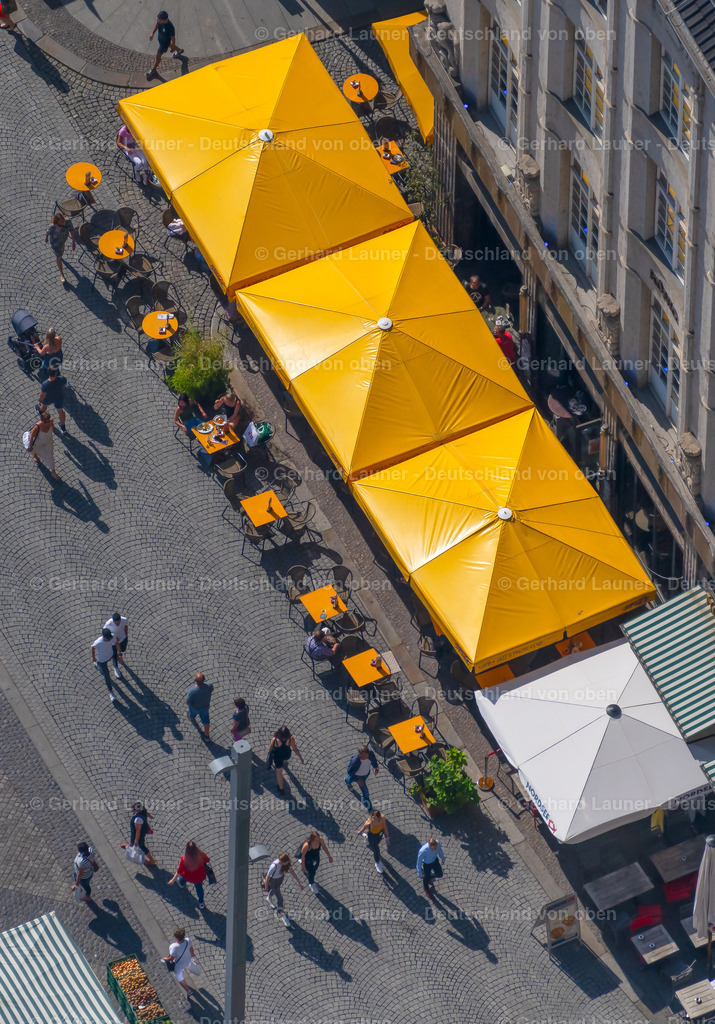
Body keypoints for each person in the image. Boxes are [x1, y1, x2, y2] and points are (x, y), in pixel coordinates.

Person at [262, 853, 304, 927]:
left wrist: (299, 882)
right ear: (281, 862)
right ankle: (283, 916)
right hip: (273, 881)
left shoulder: (286, 864)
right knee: (280, 899)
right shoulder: (273, 866)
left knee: (275, 891)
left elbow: (292, 872)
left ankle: (269, 897)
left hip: (280, 879)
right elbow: (268, 877)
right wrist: (266, 887)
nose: (288, 864)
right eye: (286, 862)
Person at [168, 841, 210, 909]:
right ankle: (201, 903)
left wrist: (173, 879)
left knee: (183, 877)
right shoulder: (200, 854)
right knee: (199, 889)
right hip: (199, 877)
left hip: (188, 876)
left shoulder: (184, 859)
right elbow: (207, 860)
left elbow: (179, 870)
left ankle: (181, 883)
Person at [147, 10, 183, 80]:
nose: (158, 20)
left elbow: (173, 38)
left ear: (165, 20)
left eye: (159, 19)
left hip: (164, 44)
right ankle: (179, 50)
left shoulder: (170, 27)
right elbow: (157, 25)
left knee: (158, 55)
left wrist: (173, 46)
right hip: (162, 40)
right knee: (171, 45)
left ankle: (154, 70)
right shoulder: (160, 21)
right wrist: (152, 33)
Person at [267, 725, 304, 793]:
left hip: (277, 757)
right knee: (284, 759)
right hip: (286, 754)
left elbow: (270, 749)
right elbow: (295, 749)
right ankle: (284, 763)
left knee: (279, 772)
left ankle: (281, 788)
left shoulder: (275, 740)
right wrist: (301, 758)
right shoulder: (291, 739)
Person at [162, 928, 195, 1000]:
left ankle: (189, 991)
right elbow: (191, 950)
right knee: (182, 970)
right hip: (188, 959)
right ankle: (183, 972)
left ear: (176, 937)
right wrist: (193, 956)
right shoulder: (188, 940)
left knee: (178, 976)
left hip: (180, 965)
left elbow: (171, 958)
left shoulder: (174, 947)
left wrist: (165, 959)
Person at [28, 411, 61, 482]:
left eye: (48, 420)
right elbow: (31, 437)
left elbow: (52, 427)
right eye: (46, 421)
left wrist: (53, 429)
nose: (48, 422)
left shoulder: (50, 421)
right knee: (35, 450)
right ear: (42, 420)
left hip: (48, 441)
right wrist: (30, 447)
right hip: (39, 443)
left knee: (50, 456)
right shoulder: (37, 427)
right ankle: (36, 457)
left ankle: (53, 472)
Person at [345, 745, 379, 811]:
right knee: (365, 793)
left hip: (366, 773)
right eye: (360, 755)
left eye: (363, 755)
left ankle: (347, 780)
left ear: (367, 754)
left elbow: (374, 760)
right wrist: (357, 780)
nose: (361, 757)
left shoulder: (370, 753)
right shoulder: (355, 760)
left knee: (350, 779)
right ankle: (370, 808)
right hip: (359, 777)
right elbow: (349, 771)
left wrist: (375, 767)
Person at [45, 213, 76, 286]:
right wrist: (46, 238)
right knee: (59, 258)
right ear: (57, 222)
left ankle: (60, 257)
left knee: (61, 253)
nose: (64, 223)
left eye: (64, 220)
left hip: (63, 240)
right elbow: (48, 232)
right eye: (62, 222)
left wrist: (73, 242)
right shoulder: (52, 226)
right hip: (56, 244)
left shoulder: (67, 221)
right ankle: (62, 274)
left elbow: (72, 230)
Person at [92, 627, 121, 701]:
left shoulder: (112, 637)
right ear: (104, 637)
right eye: (108, 638)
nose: (110, 639)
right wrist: (93, 658)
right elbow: (93, 647)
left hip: (110, 655)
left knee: (114, 653)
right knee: (106, 675)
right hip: (103, 660)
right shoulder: (98, 642)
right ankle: (111, 692)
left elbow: (116, 643)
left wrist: (120, 654)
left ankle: (98, 664)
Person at [357, 810, 390, 874]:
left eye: (375, 819)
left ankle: (365, 836)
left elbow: (385, 828)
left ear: (379, 818)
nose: (373, 820)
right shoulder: (369, 824)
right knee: (376, 849)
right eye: (372, 818)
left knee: (375, 843)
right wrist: (360, 832)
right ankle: (377, 862)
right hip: (372, 835)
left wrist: (387, 837)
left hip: (379, 834)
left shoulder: (382, 820)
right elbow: (363, 828)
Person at [38, 366, 68, 434]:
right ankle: (63, 427)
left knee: (44, 405)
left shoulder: (45, 384)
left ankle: (41, 412)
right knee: (60, 411)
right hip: (58, 397)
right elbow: (64, 386)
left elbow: (42, 394)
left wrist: (40, 400)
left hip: (48, 398)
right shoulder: (62, 379)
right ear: (56, 373)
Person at [186, 672, 213, 738]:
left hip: (195, 708)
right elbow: (211, 689)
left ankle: (192, 718)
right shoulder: (209, 685)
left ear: (195, 681)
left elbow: (188, 702)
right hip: (205, 707)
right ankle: (207, 736)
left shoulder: (192, 690)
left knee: (192, 714)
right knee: (206, 721)